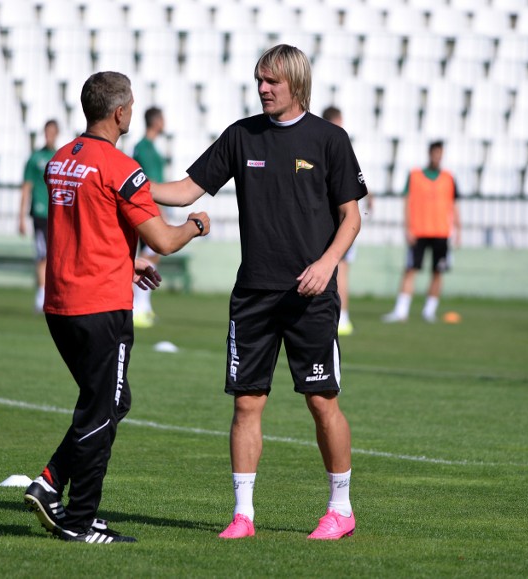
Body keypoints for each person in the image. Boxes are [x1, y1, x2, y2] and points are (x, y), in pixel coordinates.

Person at [151, 45, 367, 540]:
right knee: (246, 404)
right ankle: (243, 516)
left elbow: (351, 217)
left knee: (321, 401)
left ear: (296, 83)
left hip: (310, 296)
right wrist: (127, 181)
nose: (263, 88)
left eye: (271, 80)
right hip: (253, 295)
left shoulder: (330, 140)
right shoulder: (240, 135)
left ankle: (341, 509)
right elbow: (185, 191)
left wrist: (326, 263)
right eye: (258, 80)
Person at [23, 71, 210, 544]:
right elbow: (165, 239)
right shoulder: (121, 168)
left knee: (108, 401)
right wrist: (196, 225)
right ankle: (79, 521)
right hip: (101, 308)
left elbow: (86, 229)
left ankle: (50, 484)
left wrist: (128, 264)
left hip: (62, 303)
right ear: (121, 112)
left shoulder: (62, 159)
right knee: (101, 410)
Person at [382, 141, 461, 323]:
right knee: (410, 269)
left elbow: (454, 205)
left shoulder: (449, 177)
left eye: (440, 153)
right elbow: (407, 202)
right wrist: (408, 227)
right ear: (430, 153)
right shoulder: (415, 175)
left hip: (441, 232)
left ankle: (429, 311)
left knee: (438, 272)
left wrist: (458, 229)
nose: (437, 157)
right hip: (419, 231)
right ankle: (401, 311)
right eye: (435, 153)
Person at [322, 106, 373, 336]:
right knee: (340, 270)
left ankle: (338, 317)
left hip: (330, 220)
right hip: (339, 220)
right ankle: (342, 318)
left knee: (334, 269)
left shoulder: (320, 143)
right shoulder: (336, 143)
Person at [19, 119, 59, 313]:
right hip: (40, 213)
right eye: (47, 132)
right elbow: (26, 187)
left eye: (52, 132)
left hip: (57, 215)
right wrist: (20, 216)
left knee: (56, 256)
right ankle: (41, 296)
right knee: (42, 254)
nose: (49, 135)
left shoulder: (60, 157)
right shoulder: (35, 158)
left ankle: (52, 295)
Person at [132, 106, 167, 328]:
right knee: (151, 255)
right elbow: (149, 184)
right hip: (148, 209)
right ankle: (139, 306)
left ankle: (143, 306)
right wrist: (160, 214)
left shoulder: (147, 148)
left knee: (151, 254)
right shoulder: (145, 149)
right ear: (155, 121)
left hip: (150, 208)